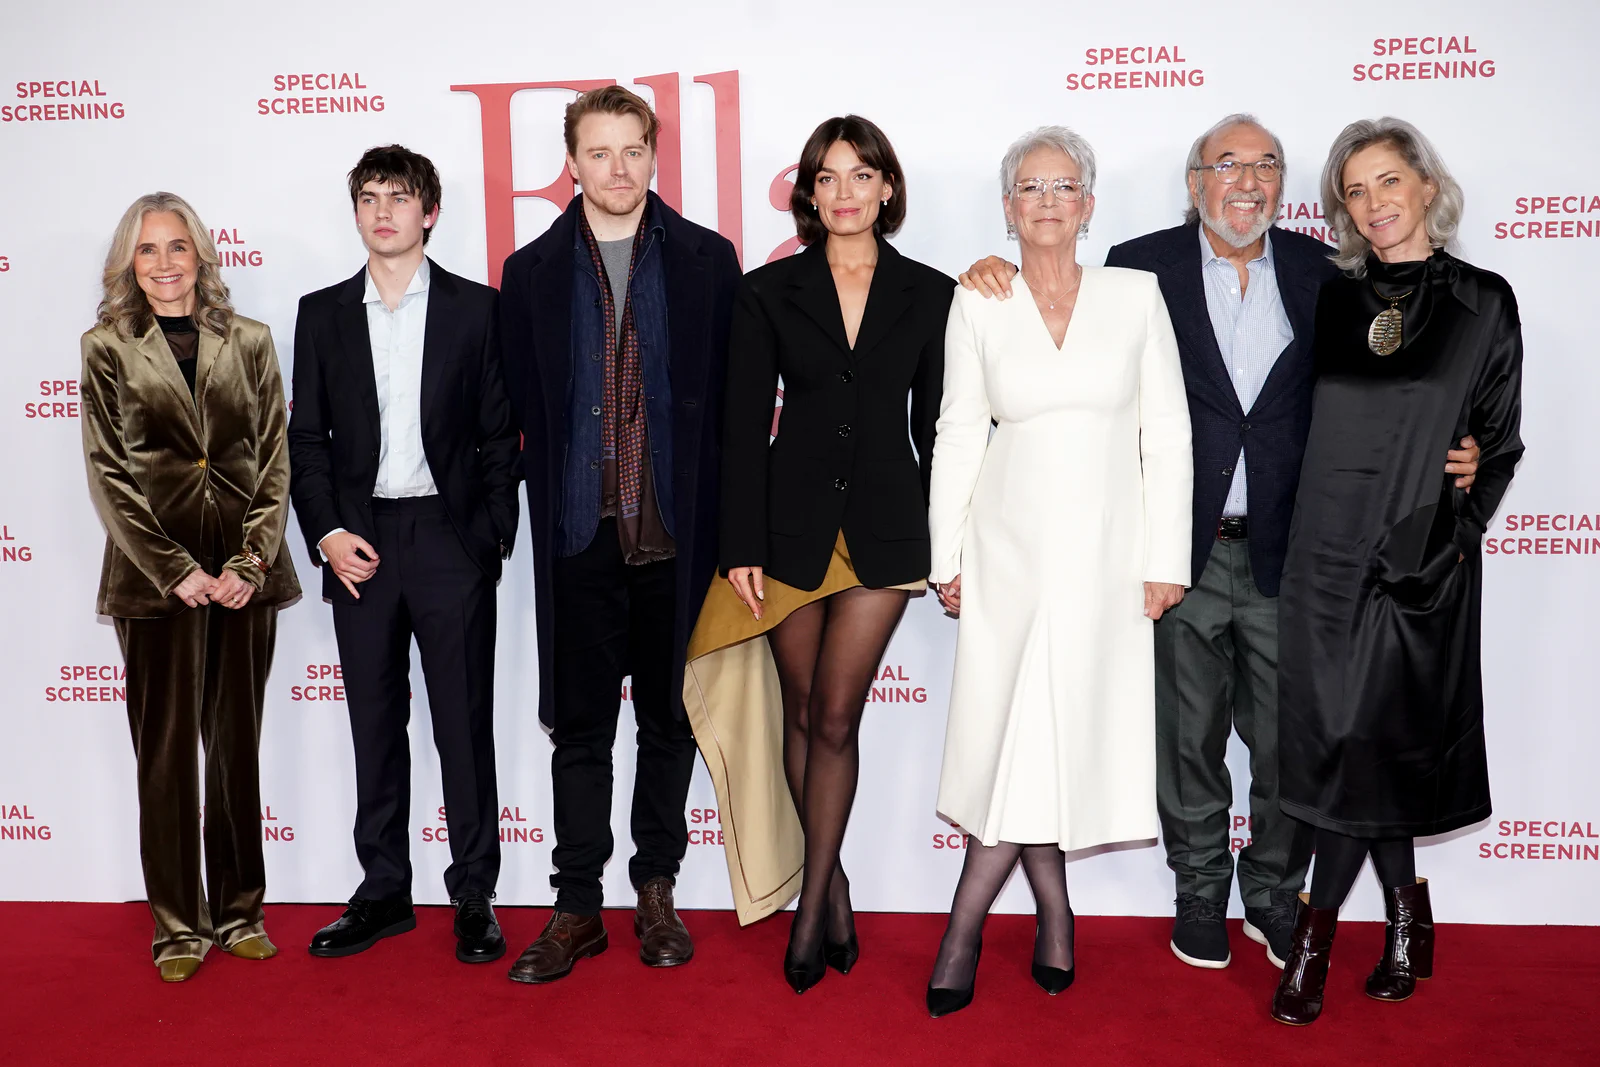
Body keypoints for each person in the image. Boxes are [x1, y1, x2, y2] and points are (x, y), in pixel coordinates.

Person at [957, 113, 1481, 970]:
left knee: (1283, 740)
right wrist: (997, 270)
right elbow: (1055, 307)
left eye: (1264, 165)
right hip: (1176, 548)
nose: (1246, 181)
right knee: (1187, 736)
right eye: (1226, 164)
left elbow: (1393, 379)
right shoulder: (1138, 267)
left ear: (1282, 183)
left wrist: (1462, 444)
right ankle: (1199, 887)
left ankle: (1272, 890)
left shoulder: (1325, 271)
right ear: (1195, 182)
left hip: (1295, 550)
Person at [924, 125, 1192, 1017]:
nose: (1047, 201)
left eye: (1063, 186)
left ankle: (1000, 921)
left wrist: (1166, 559)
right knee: (1017, 734)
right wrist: (946, 556)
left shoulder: (1135, 294)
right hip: (1007, 553)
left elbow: (1169, 433)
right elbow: (958, 431)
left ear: (1088, 205)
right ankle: (1023, 919)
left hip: (1109, 557)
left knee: (1054, 735)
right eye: (1030, 187)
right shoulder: (978, 300)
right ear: (1008, 208)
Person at [691, 114, 953, 994]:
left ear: (887, 187)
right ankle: (832, 885)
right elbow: (740, 428)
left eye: (861, 175)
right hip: (785, 529)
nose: (845, 192)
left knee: (837, 715)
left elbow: (939, 428)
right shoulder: (768, 291)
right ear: (809, 193)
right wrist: (739, 542)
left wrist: (949, 541)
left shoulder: (931, 292)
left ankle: (809, 906)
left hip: (885, 526)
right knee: (799, 711)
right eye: (828, 177)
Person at [1270, 117, 1523, 1026]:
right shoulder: (1329, 297)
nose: (1372, 202)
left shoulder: (1483, 302)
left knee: (1360, 743)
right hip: (1324, 559)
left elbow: (1499, 443)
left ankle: (1312, 945)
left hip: (1417, 563)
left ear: (1425, 184)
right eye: (1354, 190)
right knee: (1353, 745)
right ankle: (1409, 916)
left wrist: (1455, 532)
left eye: (1386, 181)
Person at [497, 86, 742, 984]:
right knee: (582, 730)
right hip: (577, 535)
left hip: (676, 534)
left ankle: (656, 891)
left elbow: (732, 413)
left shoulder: (710, 261)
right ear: (572, 164)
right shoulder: (529, 273)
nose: (617, 168)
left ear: (652, 154)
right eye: (598, 153)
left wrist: (735, 538)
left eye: (632, 150)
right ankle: (576, 906)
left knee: (669, 722)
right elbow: (516, 412)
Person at [288, 145, 520, 964]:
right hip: (359, 543)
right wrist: (326, 534)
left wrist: (490, 537)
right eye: (369, 197)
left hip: (450, 541)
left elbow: (499, 435)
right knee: (375, 723)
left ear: (430, 211)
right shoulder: (321, 313)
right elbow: (306, 440)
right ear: (356, 211)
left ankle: (474, 893)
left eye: (399, 196)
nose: (383, 211)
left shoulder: (476, 309)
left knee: (463, 725)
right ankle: (384, 888)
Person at [81, 192, 301, 982]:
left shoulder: (251, 340)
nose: (165, 263)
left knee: (235, 750)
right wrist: (176, 570)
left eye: (178, 246)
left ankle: (240, 910)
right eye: (148, 249)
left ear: (202, 256)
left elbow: (274, 458)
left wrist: (247, 564)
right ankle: (177, 924)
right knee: (167, 756)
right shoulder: (106, 348)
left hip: (244, 577)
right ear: (128, 264)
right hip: (155, 582)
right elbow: (109, 474)